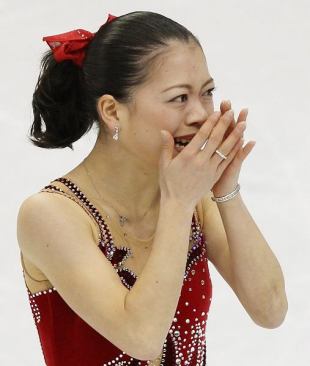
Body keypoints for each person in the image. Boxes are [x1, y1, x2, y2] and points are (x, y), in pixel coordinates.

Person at [16, 10, 288, 366]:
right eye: (179, 98)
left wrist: (226, 190)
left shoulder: (194, 199)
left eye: (207, 93)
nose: (201, 115)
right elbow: (142, 338)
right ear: (113, 111)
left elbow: (270, 310)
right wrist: (178, 204)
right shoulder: (51, 215)